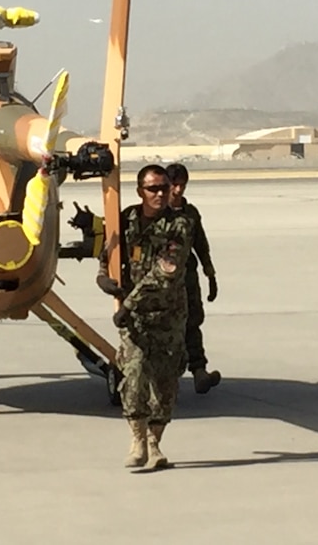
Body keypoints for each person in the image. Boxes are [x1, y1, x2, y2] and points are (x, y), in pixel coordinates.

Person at [96, 164, 191, 469]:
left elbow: (165, 273)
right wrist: (102, 276)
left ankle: (155, 443)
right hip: (134, 322)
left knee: (164, 385)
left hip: (167, 316)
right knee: (133, 375)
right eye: (153, 189)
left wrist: (128, 304)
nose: (161, 193)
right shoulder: (126, 220)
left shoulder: (180, 225)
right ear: (140, 192)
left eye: (164, 187)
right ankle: (138, 440)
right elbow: (109, 251)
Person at [165, 163, 221, 394]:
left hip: (187, 277)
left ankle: (199, 371)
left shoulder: (191, 213)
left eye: (182, 185)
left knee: (192, 322)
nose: (178, 190)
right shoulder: (155, 212)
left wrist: (210, 273)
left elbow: (201, 244)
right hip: (161, 281)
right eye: (174, 185)